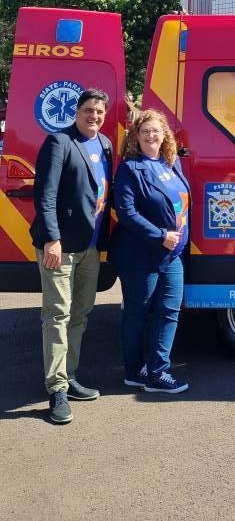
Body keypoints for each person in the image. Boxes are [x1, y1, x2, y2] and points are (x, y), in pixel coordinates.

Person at [30, 88, 113, 424]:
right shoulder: (59, 142)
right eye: (89, 110)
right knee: (57, 315)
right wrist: (52, 239)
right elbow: (45, 194)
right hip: (61, 247)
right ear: (77, 111)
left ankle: (70, 375)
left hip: (90, 246)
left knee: (80, 313)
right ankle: (57, 389)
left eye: (100, 111)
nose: (94, 116)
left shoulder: (104, 144)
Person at [109, 109, 190, 394]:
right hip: (140, 256)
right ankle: (134, 371)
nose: (151, 136)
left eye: (156, 131)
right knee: (138, 314)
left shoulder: (171, 163)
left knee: (169, 312)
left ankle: (157, 371)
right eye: (145, 132)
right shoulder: (131, 168)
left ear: (165, 135)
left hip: (172, 256)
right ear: (136, 136)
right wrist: (160, 236)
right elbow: (126, 212)